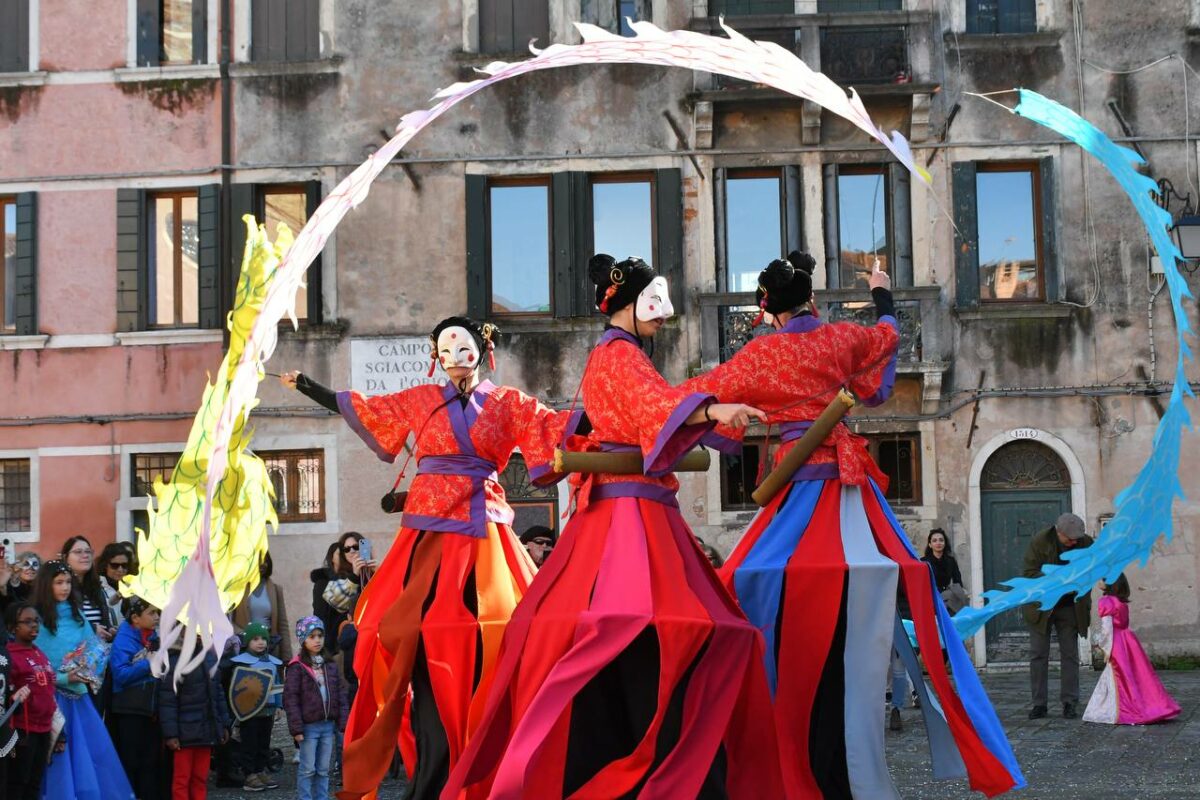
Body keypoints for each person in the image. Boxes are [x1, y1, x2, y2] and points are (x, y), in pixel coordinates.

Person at [681, 253, 1024, 797]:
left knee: (742, 584)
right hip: (848, 488)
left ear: (768, 311)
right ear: (811, 300)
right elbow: (887, 337)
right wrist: (883, 291)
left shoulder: (760, 355)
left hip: (795, 489)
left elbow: (700, 392)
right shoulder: (841, 339)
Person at [445, 255, 782, 799]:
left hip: (628, 506)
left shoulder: (617, 356)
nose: (664, 317)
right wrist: (712, 411)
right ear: (629, 300)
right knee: (669, 625)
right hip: (628, 514)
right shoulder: (618, 354)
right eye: (655, 302)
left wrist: (712, 405)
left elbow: (653, 407)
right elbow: (655, 406)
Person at [281, 315, 573, 799]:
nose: (455, 359)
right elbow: (365, 406)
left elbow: (554, 425)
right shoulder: (421, 399)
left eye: (464, 349)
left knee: (520, 621)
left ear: (483, 349)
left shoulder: (507, 402)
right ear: (435, 356)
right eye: (445, 351)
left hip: (486, 521)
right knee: (389, 623)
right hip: (428, 523)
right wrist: (309, 386)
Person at [33, 559, 135, 800]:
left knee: (85, 754)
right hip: (50, 700)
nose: (65, 587)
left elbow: (92, 649)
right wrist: (61, 676)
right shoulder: (36, 619)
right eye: (58, 582)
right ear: (46, 585)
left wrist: (90, 667)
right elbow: (32, 663)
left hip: (79, 697)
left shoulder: (78, 616)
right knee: (58, 754)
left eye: (68, 582)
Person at [1083, 574, 1181, 725]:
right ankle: (1152, 705)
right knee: (1137, 675)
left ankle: (1127, 708)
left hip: (1116, 642)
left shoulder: (1106, 601)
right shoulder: (1122, 602)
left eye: (1102, 579)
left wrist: (1102, 646)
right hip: (1128, 640)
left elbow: (1107, 629)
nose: (1099, 581)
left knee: (1121, 677)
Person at [1023, 512, 1094, 720]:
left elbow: (1097, 565)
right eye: (1069, 538)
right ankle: (1039, 705)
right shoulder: (1039, 541)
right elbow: (1029, 573)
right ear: (1058, 531)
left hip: (1071, 606)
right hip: (1041, 607)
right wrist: (1056, 577)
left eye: (1076, 538)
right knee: (1038, 654)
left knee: (1070, 654)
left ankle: (1070, 703)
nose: (1074, 542)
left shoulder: (1085, 542)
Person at [159, 629, 231, 800]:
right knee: (182, 779)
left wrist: (224, 724)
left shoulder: (209, 657)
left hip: (206, 729)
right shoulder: (175, 661)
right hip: (184, 734)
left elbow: (218, 693)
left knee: (200, 777)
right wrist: (171, 734)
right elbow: (168, 702)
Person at [284, 617, 348, 800]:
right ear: (303, 639)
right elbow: (291, 699)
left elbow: (340, 694)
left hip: (328, 726)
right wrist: (296, 729)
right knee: (307, 769)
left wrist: (342, 721)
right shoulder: (297, 667)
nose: (317, 640)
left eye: (320, 635)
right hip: (308, 728)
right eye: (312, 636)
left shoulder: (330, 665)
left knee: (323, 769)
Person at [110, 596, 165, 800]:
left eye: (158, 612)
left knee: (150, 761)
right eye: (151, 613)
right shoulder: (124, 639)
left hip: (149, 708)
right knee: (131, 761)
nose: (157, 617)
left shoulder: (151, 636)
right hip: (129, 709)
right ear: (135, 617)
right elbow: (121, 674)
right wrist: (148, 663)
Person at [6, 601, 58, 799]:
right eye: (27, 622)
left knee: (35, 782)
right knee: (19, 782)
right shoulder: (9, 657)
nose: (34, 625)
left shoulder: (39, 653)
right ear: (12, 627)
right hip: (23, 730)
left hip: (44, 728)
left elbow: (49, 689)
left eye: (36, 621)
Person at [226, 621, 283, 791]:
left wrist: (279, 705)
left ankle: (260, 770)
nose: (261, 642)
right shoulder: (242, 663)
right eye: (255, 639)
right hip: (249, 713)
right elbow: (236, 688)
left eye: (263, 639)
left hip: (267, 711)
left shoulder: (272, 663)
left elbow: (277, 685)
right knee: (249, 744)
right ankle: (249, 775)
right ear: (247, 642)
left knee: (264, 744)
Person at [309, 533, 373, 652]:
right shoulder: (334, 581)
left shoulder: (371, 574)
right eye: (346, 549)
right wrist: (354, 576)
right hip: (342, 644)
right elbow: (337, 603)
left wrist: (378, 571)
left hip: (370, 639)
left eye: (356, 547)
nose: (352, 551)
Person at [232, 553, 293, 661]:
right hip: (244, 649)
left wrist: (287, 657)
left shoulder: (275, 589)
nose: (262, 564)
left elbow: (282, 624)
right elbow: (228, 619)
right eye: (257, 560)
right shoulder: (237, 589)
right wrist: (244, 634)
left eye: (265, 560)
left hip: (271, 649)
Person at [61, 536, 116, 642]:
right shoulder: (62, 588)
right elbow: (62, 623)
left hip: (96, 652)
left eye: (88, 551)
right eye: (78, 552)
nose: (85, 555)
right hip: (71, 652)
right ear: (65, 557)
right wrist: (92, 628)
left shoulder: (97, 588)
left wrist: (110, 630)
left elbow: (103, 622)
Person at [97, 543, 133, 614]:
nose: (120, 569)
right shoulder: (96, 586)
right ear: (105, 565)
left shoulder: (133, 585)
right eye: (115, 565)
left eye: (124, 565)